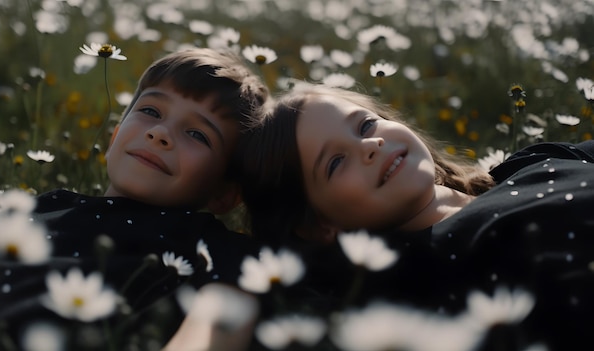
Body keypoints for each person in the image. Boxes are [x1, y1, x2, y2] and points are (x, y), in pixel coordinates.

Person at [237, 82, 594, 350]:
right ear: (317, 225)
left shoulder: (529, 161)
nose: (370, 146)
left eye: (364, 125)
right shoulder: (413, 276)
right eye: (335, 162)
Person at [0, 47, 269, 351]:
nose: (159, 133)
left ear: (225, 193)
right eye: (151, 112)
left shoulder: (210, 247)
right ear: (114, 138)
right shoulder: (44, 206)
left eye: (197, 134)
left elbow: (219, 325)